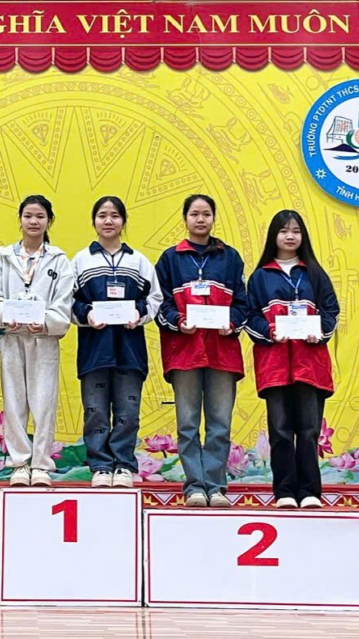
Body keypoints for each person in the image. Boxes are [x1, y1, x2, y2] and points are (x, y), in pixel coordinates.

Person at [155, 194, 249, 507]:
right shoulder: (170, 259)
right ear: (185, 218)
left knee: (220, 424)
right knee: (188, 424)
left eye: (206, 214)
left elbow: (243, 303)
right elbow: (160, 303)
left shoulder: (230, 258)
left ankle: (216, 487)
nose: (200, 219)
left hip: (222, 352)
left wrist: (232, 323)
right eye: (194, 213)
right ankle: (195, 487)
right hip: (184, 352)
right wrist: (177, 321)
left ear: (213, 218)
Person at [245, 210, 339, 509]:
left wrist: (319, 332)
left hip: (310, 364)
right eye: (284, 231)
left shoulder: (315, 273)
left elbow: (331, 311)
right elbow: (249, 316)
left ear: (303, 236)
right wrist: (269, 332)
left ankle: (310, 492)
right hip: (274, 365)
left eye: (296, 231)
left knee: (309, 431)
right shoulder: (260, 277)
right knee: (281, 431)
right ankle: (284, 492)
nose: (290, 236)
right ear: (274, 236)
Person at [0, 195, 75, 487]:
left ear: (49, 221)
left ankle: (42, 464)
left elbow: (64, 303)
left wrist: (45, 322)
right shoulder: (3, 258)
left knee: (44, 402)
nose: (33, 222)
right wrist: (3, 317)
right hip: (12, 338)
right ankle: (20, 463)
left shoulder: (59, 260)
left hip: (43, 339)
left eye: (40, 216)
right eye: (28, 216)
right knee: (14, 402)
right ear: (20, 219)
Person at [72, 196, 163, 488]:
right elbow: (68, 301)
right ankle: (100, 465)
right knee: (95, 411)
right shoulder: (81, 261)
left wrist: (139, 313)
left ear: (123, 221)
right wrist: (87, 315)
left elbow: (155, 299)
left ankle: (123, 465)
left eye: (114, 215)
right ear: (93, 221)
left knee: (128, 412)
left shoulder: (139, 261)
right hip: (94, 350)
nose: (108, 221)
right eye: (102, 215)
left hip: (129, 349)